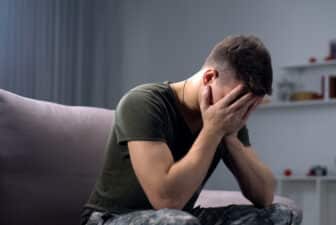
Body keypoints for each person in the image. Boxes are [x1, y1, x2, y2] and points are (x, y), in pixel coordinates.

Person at [81, 35, 302, 225]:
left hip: (181, 218)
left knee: (281, 216)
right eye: (236, 101)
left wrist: (231, 137)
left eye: (249, 106)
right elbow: (166, 200)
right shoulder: (143, 102)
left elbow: (264, 196)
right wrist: (212, 131)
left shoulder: (229, 119)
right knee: (180, 222)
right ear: (208, 78)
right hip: (110, 219)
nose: (241, 112)